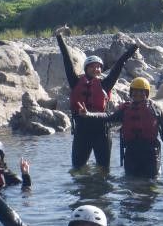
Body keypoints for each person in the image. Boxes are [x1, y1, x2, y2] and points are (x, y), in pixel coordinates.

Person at [54, 25, 139, 169]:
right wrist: (59, 38)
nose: (96, 69)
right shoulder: (75, 82)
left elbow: (119, 65)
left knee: (104, 170)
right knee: (78, 169)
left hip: (102, 131)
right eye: (92, 66)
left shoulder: (105, 84)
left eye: (99, 67)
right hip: (82, 131)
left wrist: (133, 48)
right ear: (86, 69)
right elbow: (67, 60)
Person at [77, 77, 163, 177]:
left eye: (141, 93)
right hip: (131, 155)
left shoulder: (156, 110)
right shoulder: (125, 110)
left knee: (150, 187)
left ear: (147, 94)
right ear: (131, 94)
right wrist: (88, 114)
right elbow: (108, 116)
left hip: (151, 155)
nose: (138, 96)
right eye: (135, 93)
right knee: (130, 186)